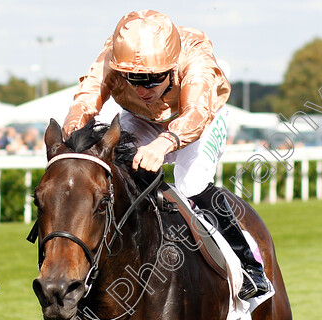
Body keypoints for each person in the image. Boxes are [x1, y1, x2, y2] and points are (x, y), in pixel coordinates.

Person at [62, 10, 269, 299]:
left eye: (152, 80)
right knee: (123, 174)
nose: (142, 89)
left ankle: (250, 266)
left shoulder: (195, 58)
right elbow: (85, 100)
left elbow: (197, 112)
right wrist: (70, 138)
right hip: (139, 119)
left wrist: (164, 142)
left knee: (191, 184)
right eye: (132, 79)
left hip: (198, 119)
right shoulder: (112, 56)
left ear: (172, 68)